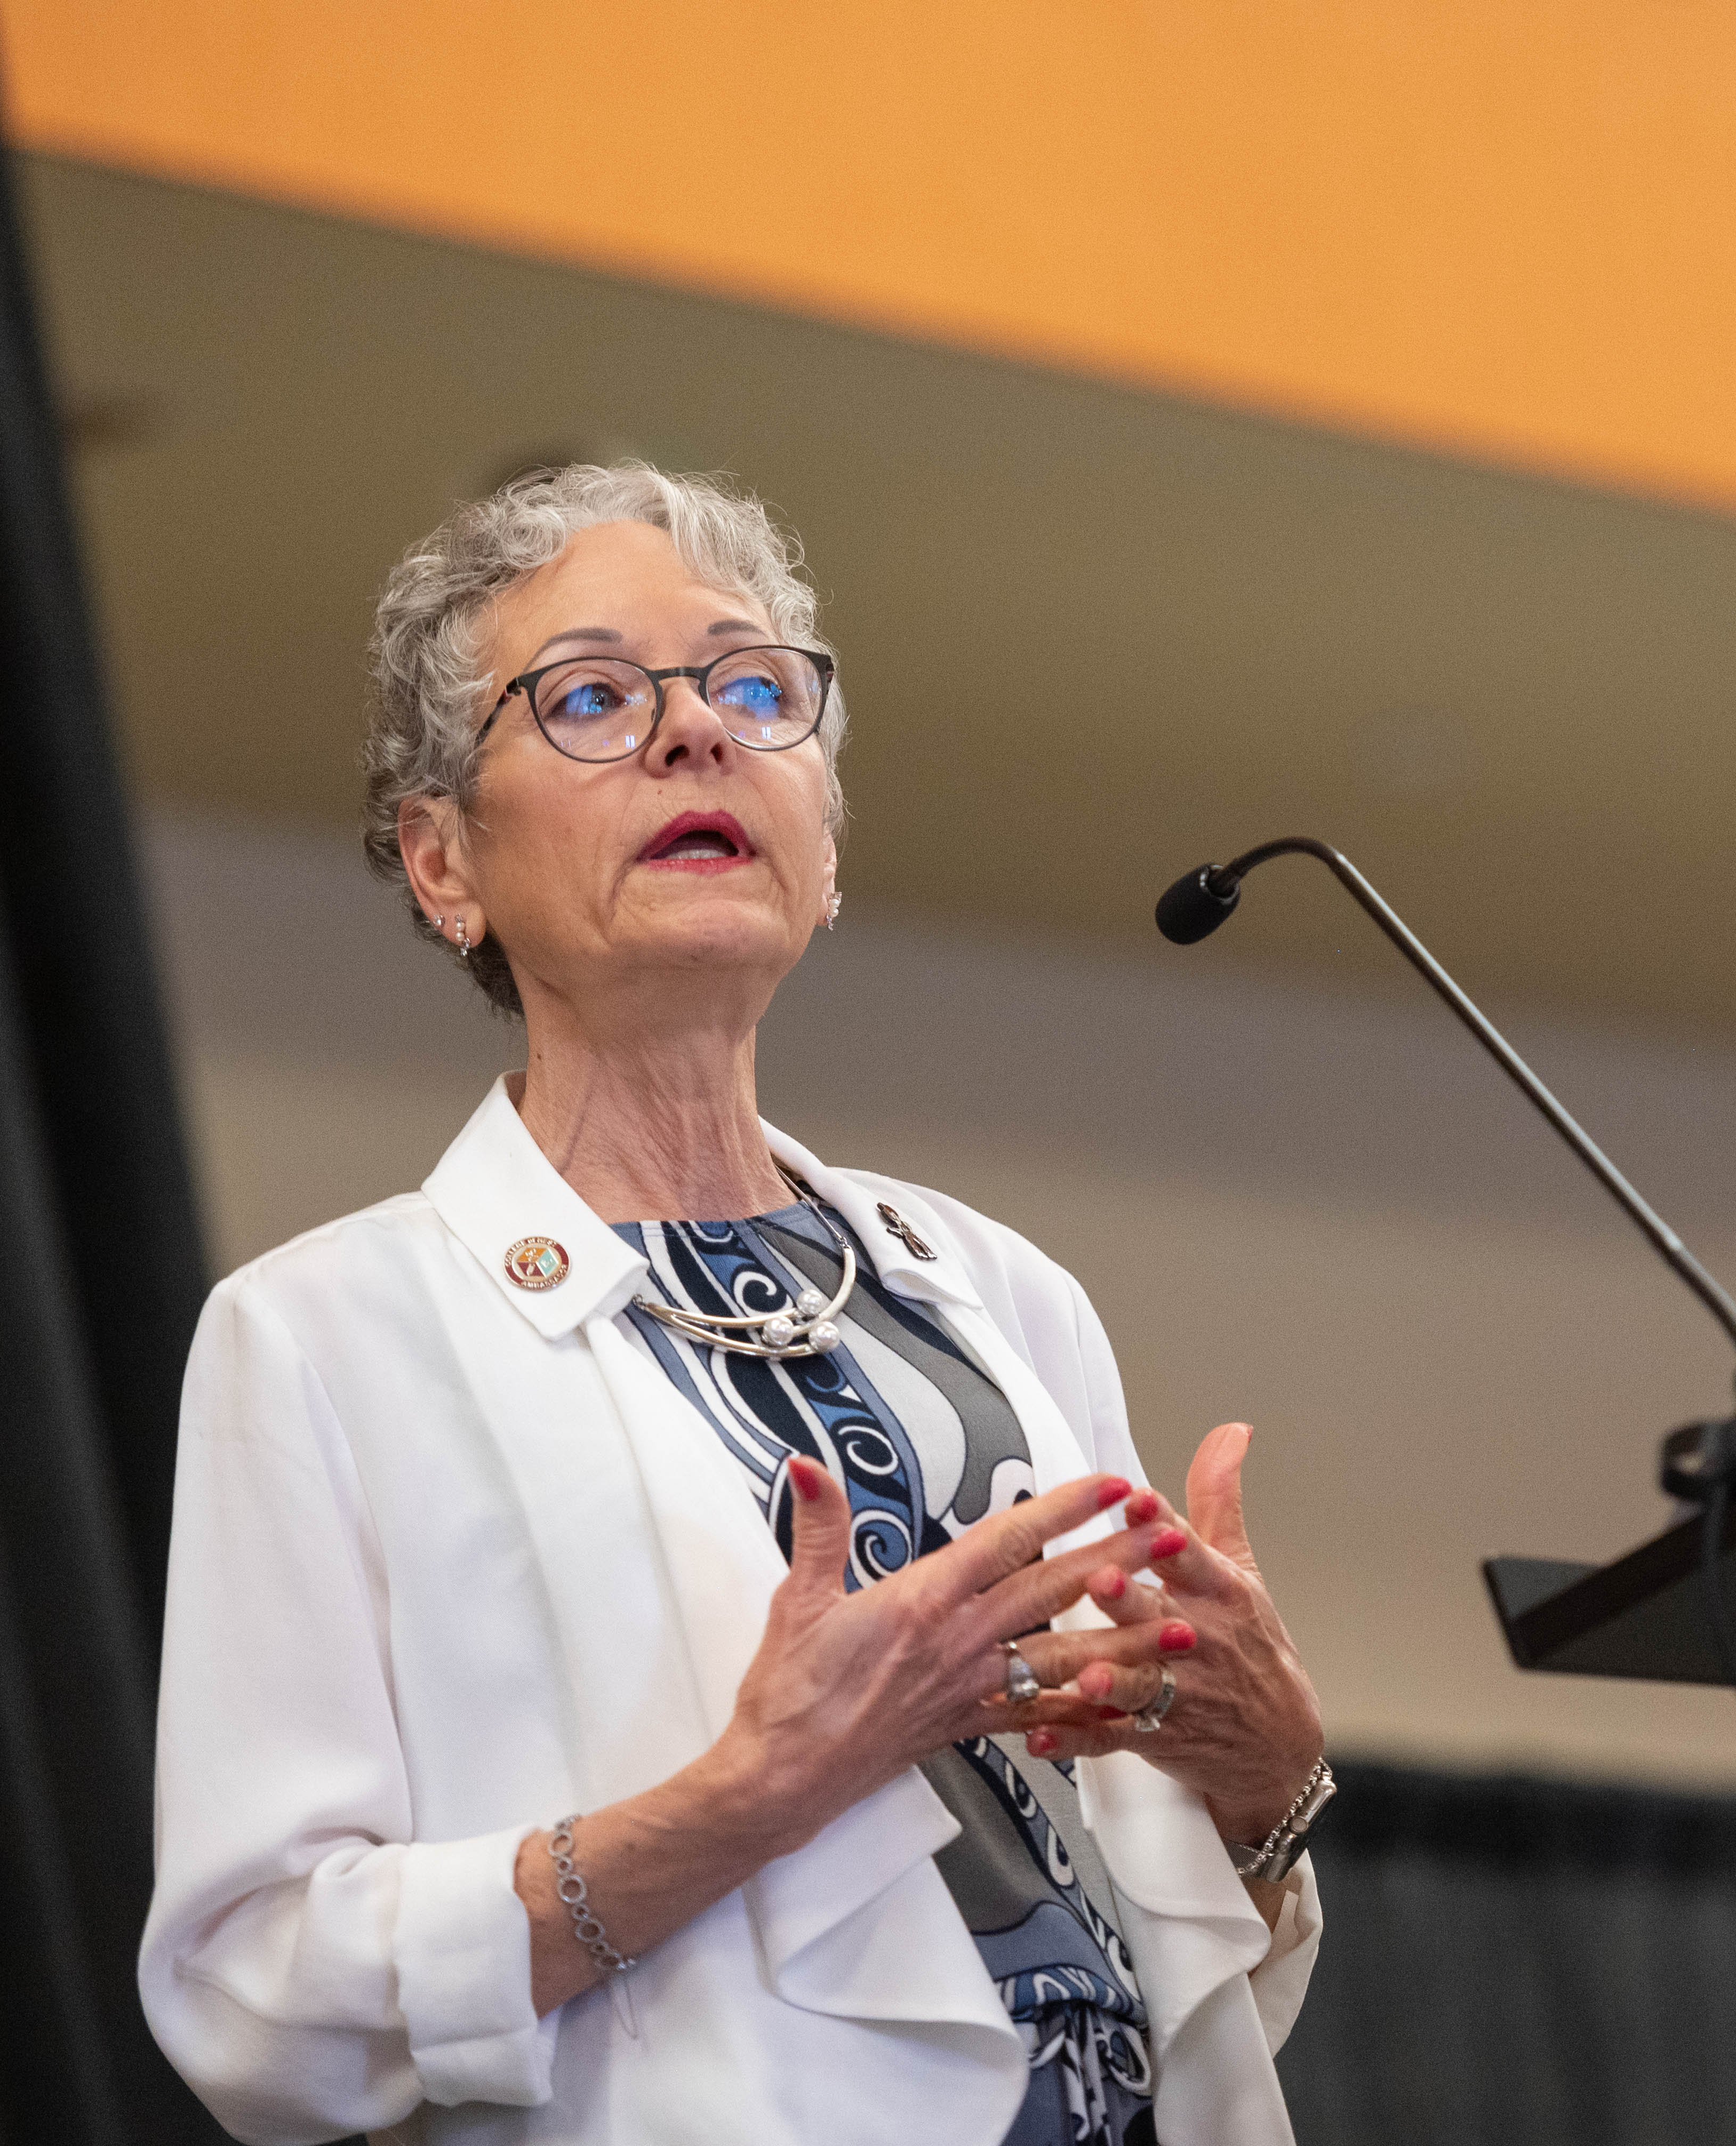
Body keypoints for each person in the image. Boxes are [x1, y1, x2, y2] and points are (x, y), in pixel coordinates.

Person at [138, 466, 1331, 2146]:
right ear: (441, 862)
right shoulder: (329, 1336)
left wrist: (1267, 1784)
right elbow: (255, 1996)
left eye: (755, 687)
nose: (699, 734)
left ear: (824, 842)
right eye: (594, 698)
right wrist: (744, 1800)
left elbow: (1167, 1949)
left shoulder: (1000, 1293)